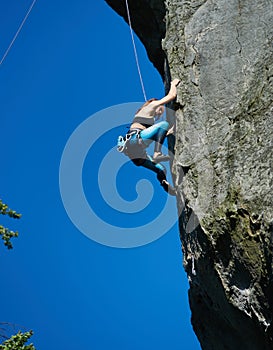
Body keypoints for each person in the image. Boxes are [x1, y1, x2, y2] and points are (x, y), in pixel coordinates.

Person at [117, 78, 180, 195]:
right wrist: (173, 84)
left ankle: (164, 182)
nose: (160, 113)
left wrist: (169, 132)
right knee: (164, 124)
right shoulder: (153, 105)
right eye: (160, 111)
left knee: (161, 169)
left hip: (135, 154)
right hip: (136, 140)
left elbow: (157, 134)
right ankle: (157, 153)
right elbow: (171, 96)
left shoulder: (141, 113)